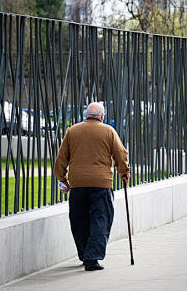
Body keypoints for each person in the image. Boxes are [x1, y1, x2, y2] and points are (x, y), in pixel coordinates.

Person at [54, 102, 130, 271]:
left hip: (77, 184)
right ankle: (92, 258)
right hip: (101, 184)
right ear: (102, 116)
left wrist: (63, 179)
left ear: (86, 115)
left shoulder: (72, 131)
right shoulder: (109, 131)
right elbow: (121, 154)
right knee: (100, 219)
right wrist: (124, 172)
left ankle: (84, 253)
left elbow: (61, 159)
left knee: (79, 220)